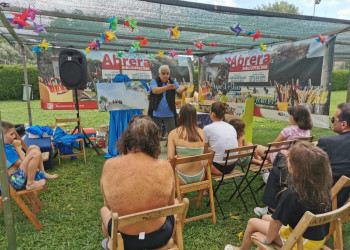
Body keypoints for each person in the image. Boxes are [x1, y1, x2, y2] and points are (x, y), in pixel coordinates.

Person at [225, 141, 332, 250]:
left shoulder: (292, 193)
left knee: (252, 223)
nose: (287, 160)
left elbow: (276, 222)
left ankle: (241, 249)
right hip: (314, 239)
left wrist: (267, 240)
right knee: (265, 217)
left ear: (297, 170)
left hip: (299, 243)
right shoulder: (322, 188)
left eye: (290, 160)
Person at [100, 115, 176, 250]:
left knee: (103, 211)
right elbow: (170, 204)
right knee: (176, 203)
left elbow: (108, 205)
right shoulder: (165, 166)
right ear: (154, 141)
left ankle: (112, 244)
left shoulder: (109, 165)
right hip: (160, 235)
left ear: (126, 140)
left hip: (124, 238)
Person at [2, 121, 58, 191]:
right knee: (35, 153)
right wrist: (18, 148)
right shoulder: (5, 150)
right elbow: (21, 163)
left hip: (19, 175)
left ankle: (43, 172)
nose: (14, 136)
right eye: (11, 134)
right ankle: (30, 183)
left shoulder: (8, 145)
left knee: (34, 147)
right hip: (14, 181)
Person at [317, 102, 350, 207]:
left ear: (343, 124)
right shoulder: (331, 143)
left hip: (324, 200)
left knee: (280, 166)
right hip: (345, 200)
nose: (332, 122)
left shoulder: (327, 143)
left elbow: (308, 166)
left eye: (333, 120)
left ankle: (271, 210)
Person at [167, 104, 205, 185]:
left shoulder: (173, 133)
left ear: (180, 116)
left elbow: (169, 160)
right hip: (200, 175)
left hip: (180, 177)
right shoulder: (202, 132)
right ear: (195, 117)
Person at [148, 65, 187, 136]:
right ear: (159, 74)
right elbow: (154, 91)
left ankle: (171, 146)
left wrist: (183, 89)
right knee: (154, 135)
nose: (165, 75)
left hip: (169, 113)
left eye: (167, 73)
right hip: (156, 113)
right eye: (163, 73)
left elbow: (178, 90)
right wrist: (166, 87)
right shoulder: (154, 81)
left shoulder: (172, 81)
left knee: (173, 134)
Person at [203, 102, 238, 175]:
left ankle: (205, 184)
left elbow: (204, 152)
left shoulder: (207, 128)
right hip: (232, 167)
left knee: (199, 159)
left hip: (217, 168)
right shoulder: (231, 127)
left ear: (213, 114)